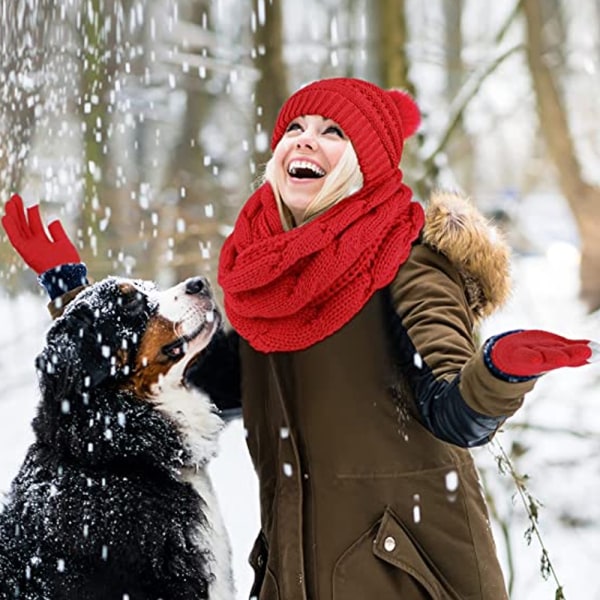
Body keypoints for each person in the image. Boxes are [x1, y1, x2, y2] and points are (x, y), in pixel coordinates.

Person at [3, 77, 598, 600]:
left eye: (333, 131)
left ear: (363, 162)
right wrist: (81, 307)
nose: (306, 139)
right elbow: (178, 382)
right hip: (297, 576)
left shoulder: (409, 264)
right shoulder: (270, 284)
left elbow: (453, 409)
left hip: (404, 578)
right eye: (296, 127)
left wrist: (495, 374)